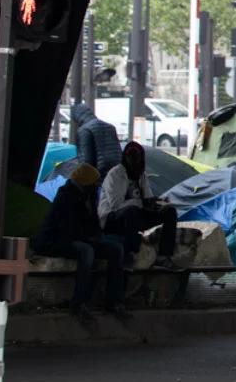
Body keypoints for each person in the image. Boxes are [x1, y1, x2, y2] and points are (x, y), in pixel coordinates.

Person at [31, 163, 127, 323]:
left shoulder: (88, 197)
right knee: (86, 251)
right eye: (94, 183)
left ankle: (114, 301)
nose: (97, 186)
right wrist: (91, 239)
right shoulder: (66, 196)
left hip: (80, 237)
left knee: (116, 249)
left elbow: (93, 224)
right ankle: (79, 303)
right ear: (86, 183)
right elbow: (69, 230)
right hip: (55, 240)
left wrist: (97, 237)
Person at [99, 142, 181, 270]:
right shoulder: (115, 174)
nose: (133, 160)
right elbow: (116, 205)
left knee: (170, 211)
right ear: (125, 157)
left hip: (135, 215)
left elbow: (147, 198)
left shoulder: (141, 174)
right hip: (112, 219)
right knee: (132, 211)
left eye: (136, 157)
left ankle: (164, 256)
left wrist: (157, 203)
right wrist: (140, 202)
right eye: (130, 156)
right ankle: (131, 254)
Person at [71, 103, 123, 177]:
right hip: (116, 173)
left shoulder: (84, 130)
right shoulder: (110, 127)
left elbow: (86, 161)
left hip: (99, 175)